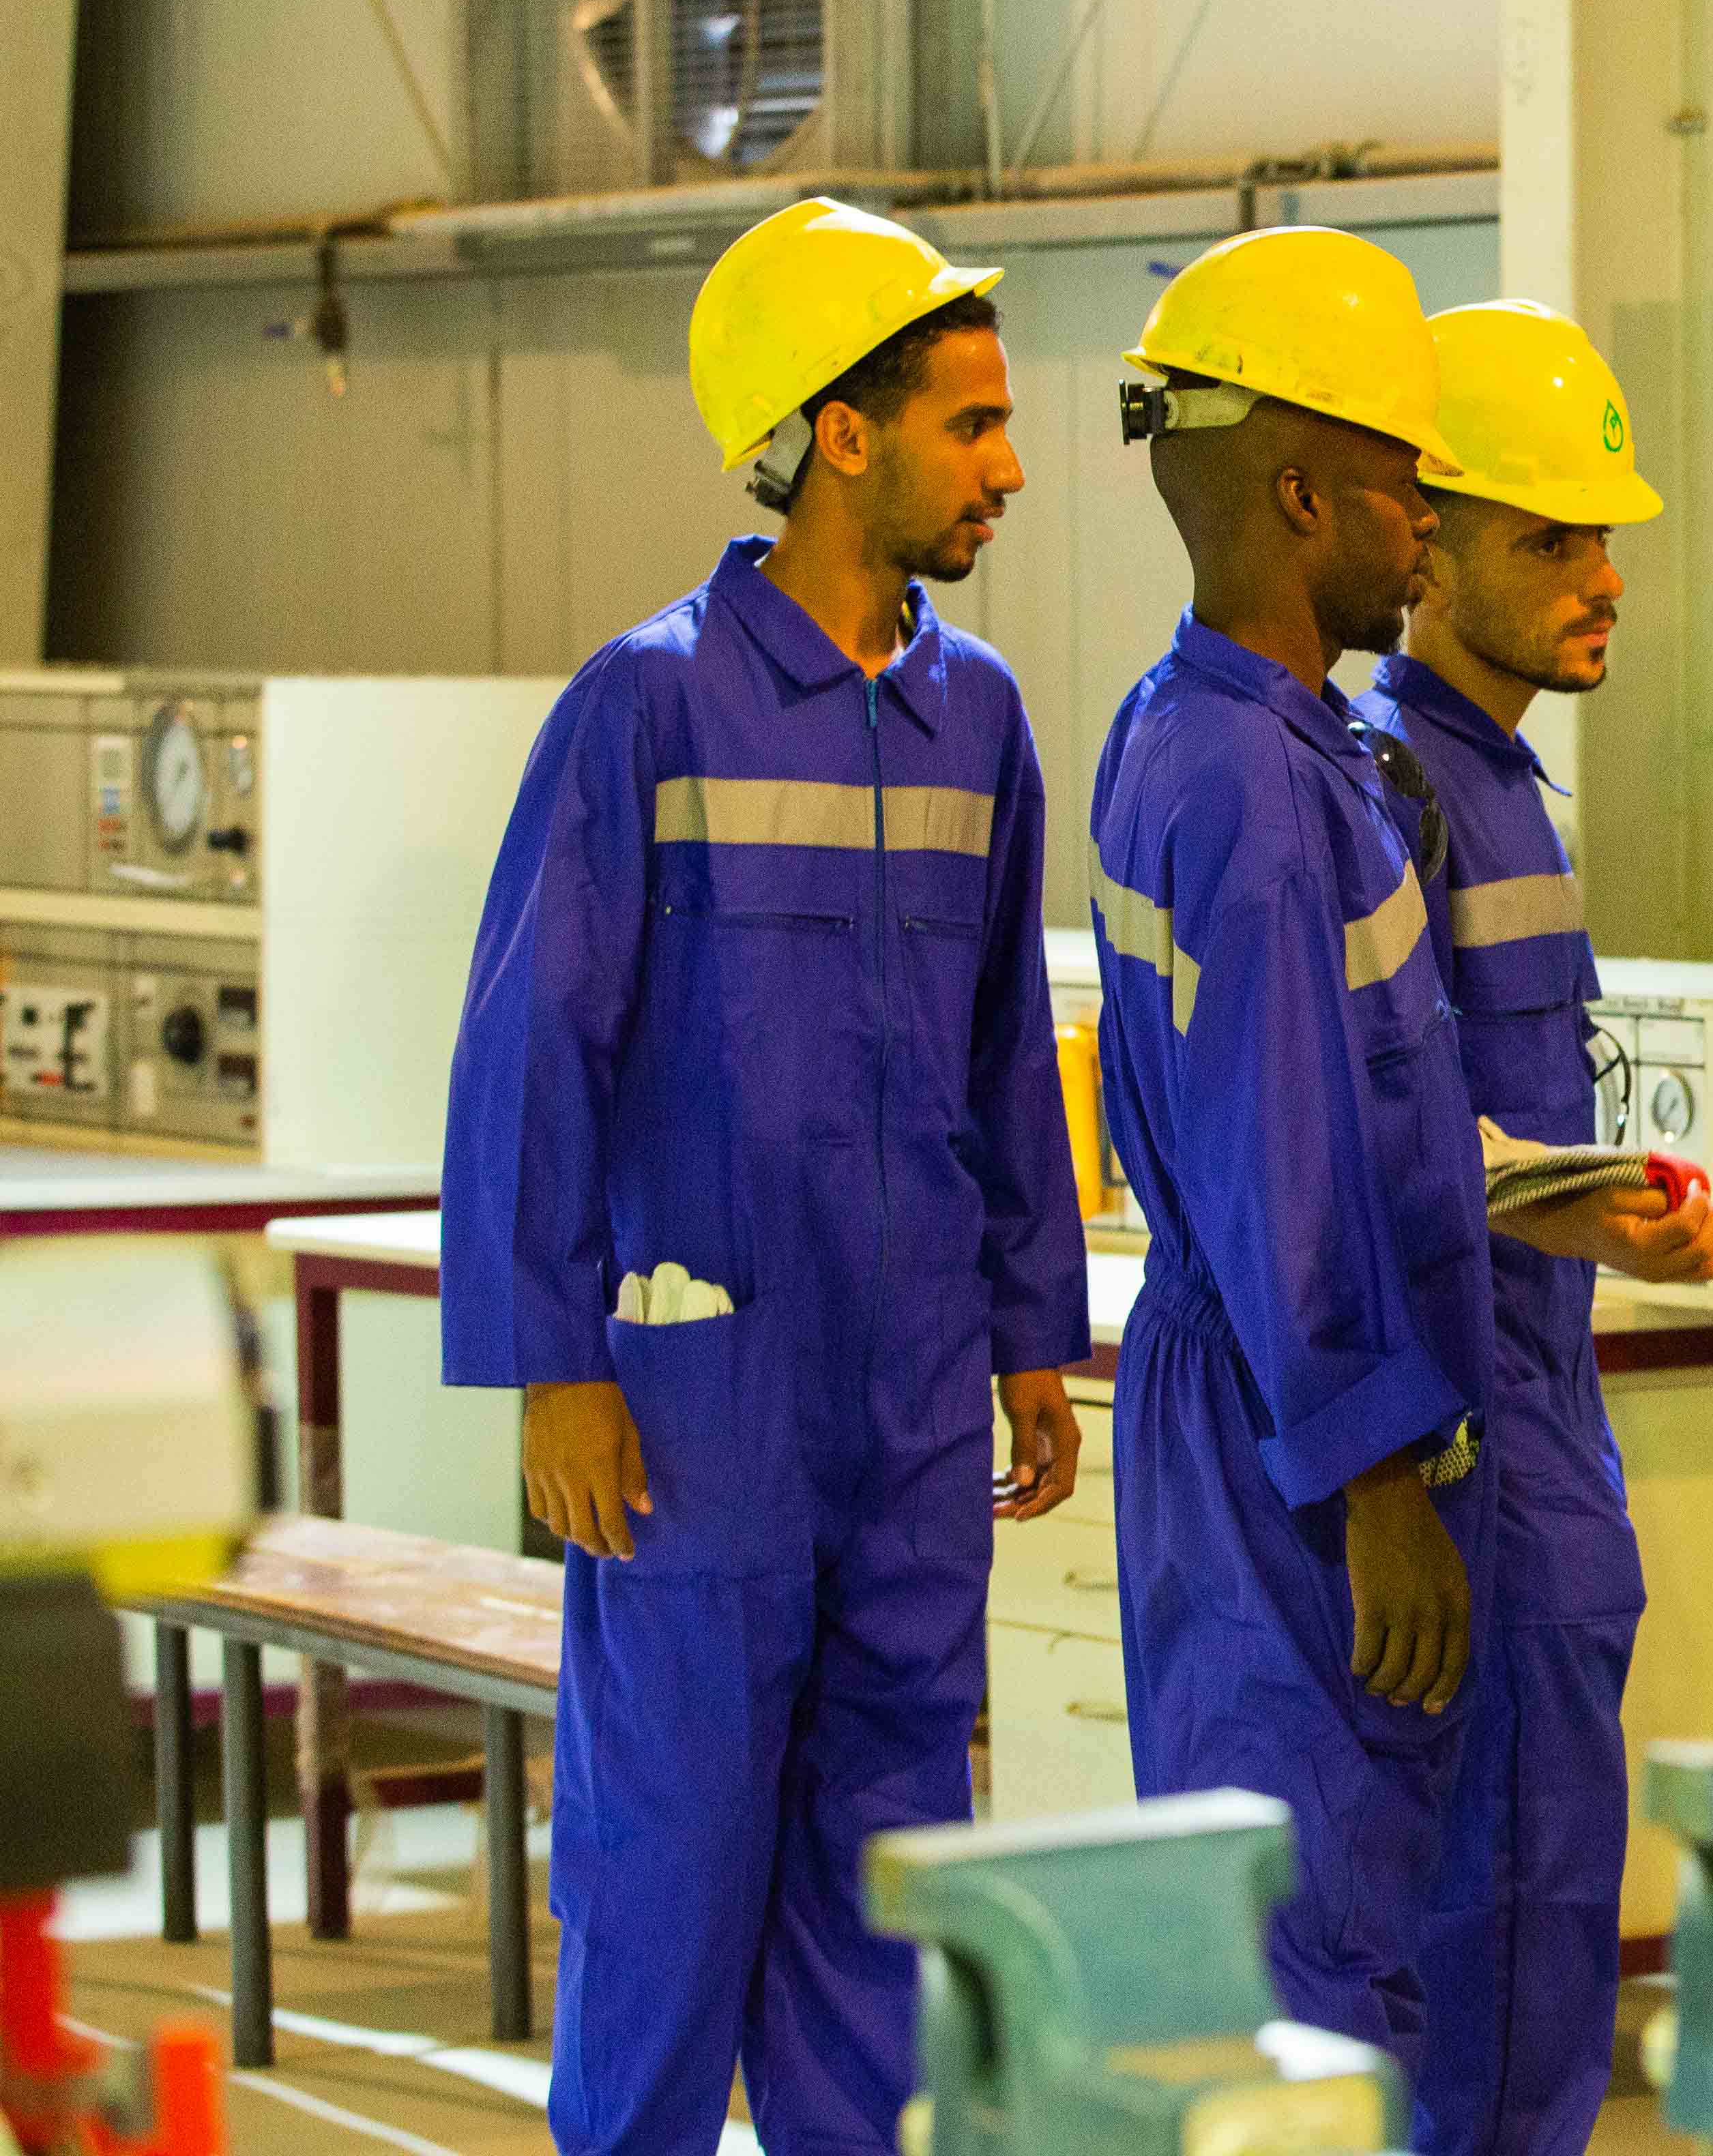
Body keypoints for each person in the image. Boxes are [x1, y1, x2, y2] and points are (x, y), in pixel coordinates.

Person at [441, 196, 1089, 2156]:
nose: (1012, 464)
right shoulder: (645, 707)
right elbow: (531, 1047)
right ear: (840, 435)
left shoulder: (977, 717)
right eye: (972, 424)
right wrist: (554, 1364)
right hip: (697, 1398)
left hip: (904, 1406)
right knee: (666, 1886)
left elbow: (1001, 1049)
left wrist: (1025, 1332)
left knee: (884, 1897)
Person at [1090, 228, 1706, 2129]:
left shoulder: (1234, 748)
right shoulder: (1297, 787)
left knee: (1381, 1943)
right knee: (1360, 1957)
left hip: (1365, 1386)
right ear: (1317, 499)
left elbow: (1338, 1122)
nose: (1426, 528)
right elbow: (1289, 1154)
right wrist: (1380, 1474)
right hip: (1355, 1409)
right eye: (1415, 495)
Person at [1355, 299, 1713, 2156]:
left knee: (1545, 1933)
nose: (1603, 580)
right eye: (1548, 541)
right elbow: (1378, 1134)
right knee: (1485, 1946)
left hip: (1542, 1418)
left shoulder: (1502, 788)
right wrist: (1596, 1212)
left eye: (1607, 541)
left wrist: (1601, 1211)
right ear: (1423, 544)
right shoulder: (1387, 789)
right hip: (1462, 1429)